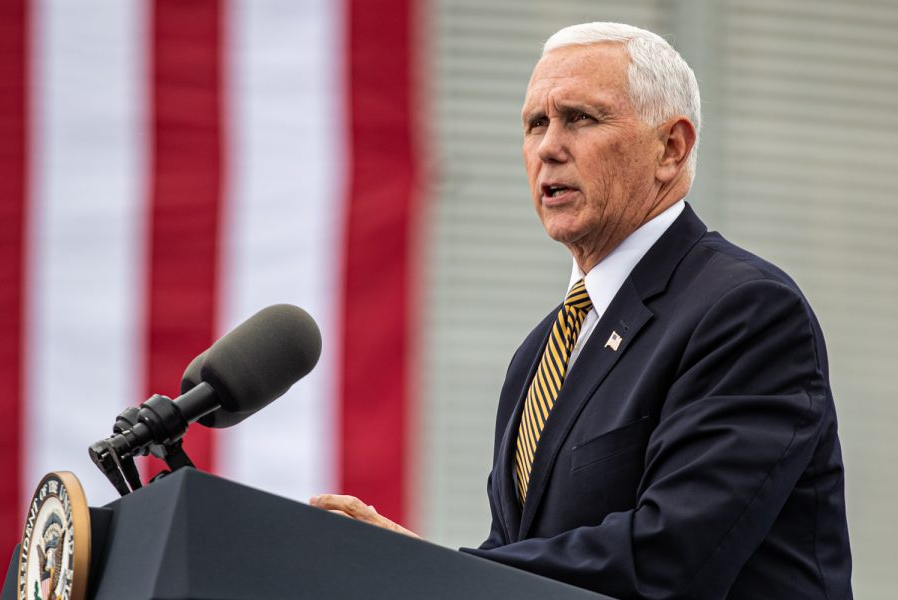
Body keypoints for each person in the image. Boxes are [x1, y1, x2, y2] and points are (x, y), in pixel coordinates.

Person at [311, 22, 853, 599]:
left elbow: (668, 555)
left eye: (581, 118)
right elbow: (518, 557)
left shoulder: (745, 311)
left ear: (671, 148)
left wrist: (434, 570)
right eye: (535, 124)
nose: (548, 147)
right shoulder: (541, 353)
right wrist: (413, 568)